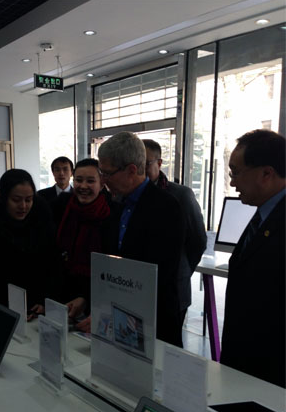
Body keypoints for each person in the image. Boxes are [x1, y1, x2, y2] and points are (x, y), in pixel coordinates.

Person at [98, 131, 185, 347]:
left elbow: (159, 273)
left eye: (107, 174)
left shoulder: (166, 207)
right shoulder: (116, 204)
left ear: (131, 170)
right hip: (120, 315)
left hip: (154, 320)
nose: (103, 180)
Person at [221, 129, 285, 387]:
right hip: (245, 362)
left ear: (266, 173)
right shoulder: (263, 213)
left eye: (236, 173)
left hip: (271, 372)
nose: (233, 182)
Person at [0, 169, 59, 316]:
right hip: (1, 315)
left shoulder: (44, 229)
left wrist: (45, 302)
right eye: (16, 200)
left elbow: (54, 271)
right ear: (1, 197)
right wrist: (2, 313)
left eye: (29, 200)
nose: (23, 206)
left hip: (38, 315)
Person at [143, 139, 206, 325]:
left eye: (146, 164)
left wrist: (181, 271)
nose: (140, 169)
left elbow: (198, 241)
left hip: (173, 290)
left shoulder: (181, 195)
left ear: (159, 163)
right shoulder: (127, 195)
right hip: (139, 286)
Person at [53, 158, 114, 319]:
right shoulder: (62, 206)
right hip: (61, 293)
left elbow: (111, 267)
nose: (83, 186)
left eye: (90, 181)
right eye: (79, 180)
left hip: (97, 300)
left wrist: (86, 298)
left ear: (102, 183)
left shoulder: (112, 213)